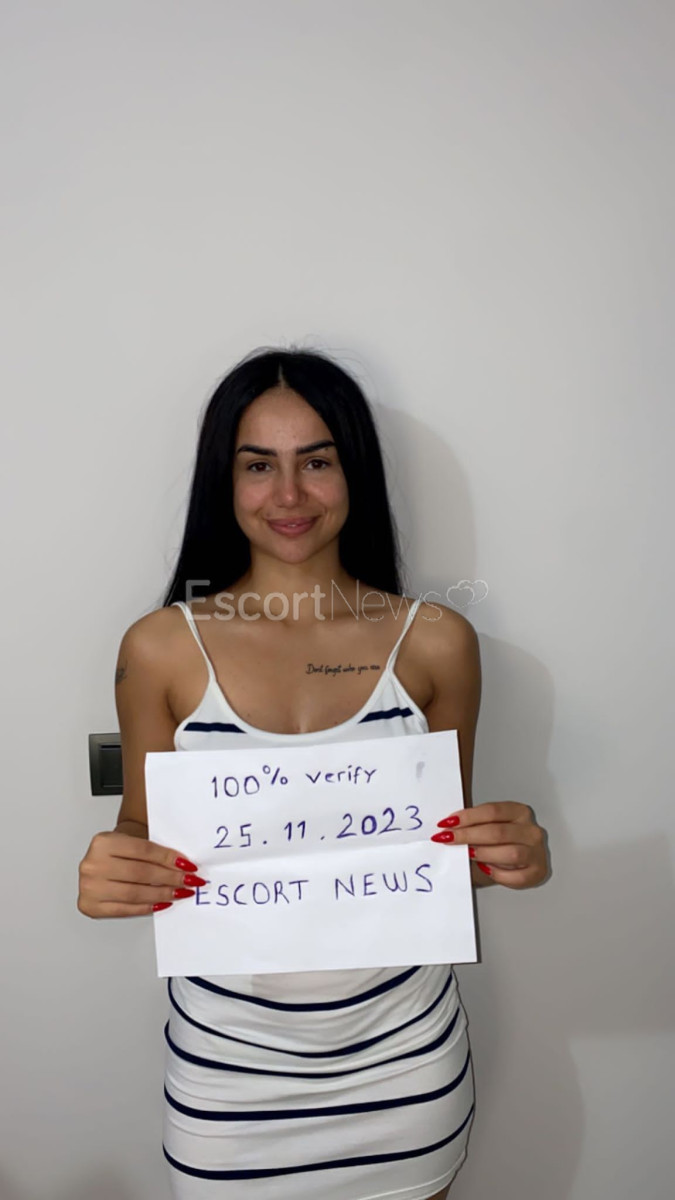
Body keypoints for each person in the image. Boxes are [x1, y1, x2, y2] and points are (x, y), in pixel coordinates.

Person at [78, 347, 549, 1200]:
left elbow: (438, 854)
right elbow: (141, 831)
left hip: (405, 1067)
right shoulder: (159, 648)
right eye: (258, 465)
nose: (289, 495)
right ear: (224, 480)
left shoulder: (435, 641)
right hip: (226, 1076)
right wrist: (114, 872)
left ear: (353, 471)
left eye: (317, 462)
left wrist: (502, 855)